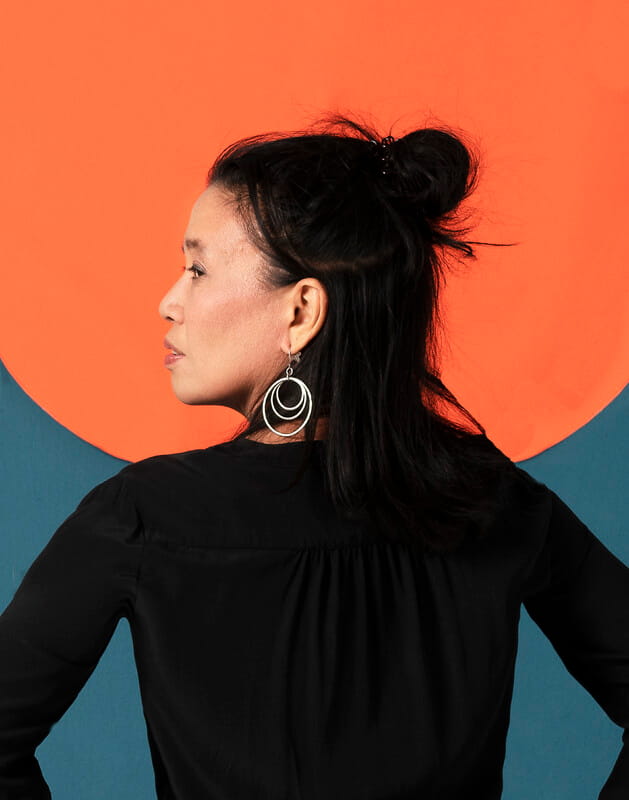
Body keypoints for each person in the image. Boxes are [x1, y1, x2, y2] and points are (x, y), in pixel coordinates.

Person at [0, 113, 628, 799]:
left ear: (301, 312)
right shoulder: (493, 502)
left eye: (198, 269)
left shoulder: (143, 516)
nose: (169, 302)